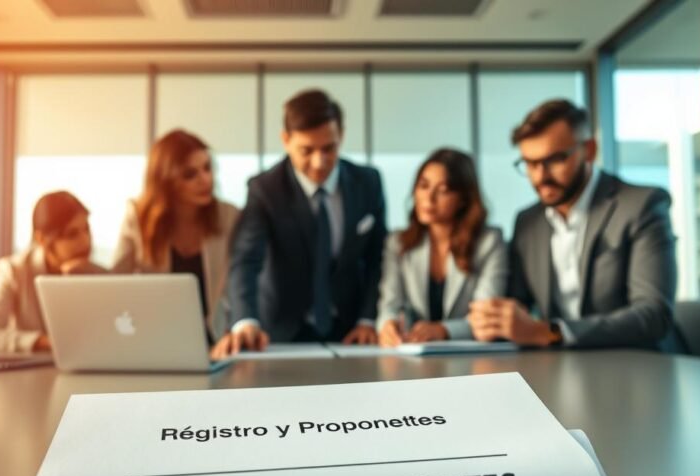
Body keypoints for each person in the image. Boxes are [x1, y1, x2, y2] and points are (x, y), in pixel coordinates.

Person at [468, 99, 684, 351]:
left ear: (589, 150)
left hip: (642, 362)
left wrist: (550, 332)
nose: (540, 176)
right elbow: (518, 304)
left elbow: (653, 315)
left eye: (555, 159)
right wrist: (497, 320)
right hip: (560, 365)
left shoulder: (641, 205)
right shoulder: (528, 221)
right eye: (529, 163)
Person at [212, 89, 386, 357]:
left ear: (342, 135)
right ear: (286, 140)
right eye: (306, 150)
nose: (319, 162)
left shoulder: (368, 182)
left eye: (329, 148)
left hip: (351, 334)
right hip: (279, 334)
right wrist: (245, 321)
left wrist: (368, 319)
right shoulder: (265, 189)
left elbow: (378, 258)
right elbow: (246, 260)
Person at [112, 129, 241, 341]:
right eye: (190, 174)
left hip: (217, 339)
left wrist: (233, 330)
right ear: (165, 181)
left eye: (207, 168)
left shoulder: (229, 216)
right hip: (156, 338)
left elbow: (239, 284)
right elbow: (115, 282)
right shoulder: (138, 217)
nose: (205, 180)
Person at [377, 148, 508, 346]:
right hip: (413, 354)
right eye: (423, 186)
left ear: (464, 198)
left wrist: (444, 330)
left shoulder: (489, 242)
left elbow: (487, 317)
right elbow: (390, 304)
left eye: (443, 190)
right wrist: (388, 324)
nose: (429, 198)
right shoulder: (398, 242)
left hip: (471, 357)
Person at [0, 190, 106, 354]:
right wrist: (42, 342)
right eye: (72, 234)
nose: (85, 241)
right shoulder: (14, 271)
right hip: (29, 376)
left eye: (86, 230)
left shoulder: (99, 275)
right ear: (42, 239)